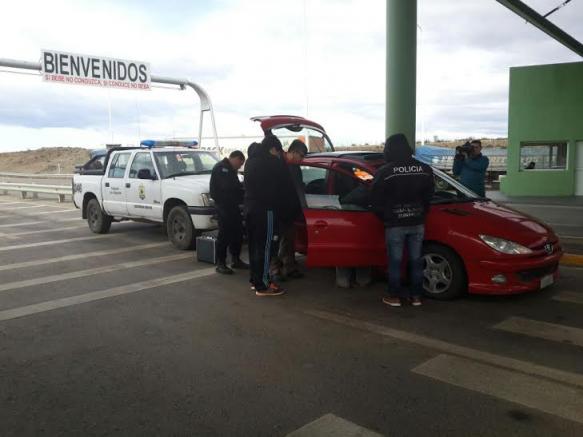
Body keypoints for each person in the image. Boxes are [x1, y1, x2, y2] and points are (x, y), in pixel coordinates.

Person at [372, 133, 434, 307]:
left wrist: (385, 217)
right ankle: (416, 297)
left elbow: (375, 199)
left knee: (395, 262)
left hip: (395, 224)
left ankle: (394, 297)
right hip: (417, 223)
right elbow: (429, 196)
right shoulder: (424, 169)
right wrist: (421, 213)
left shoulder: (385, 172)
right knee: (416, 260)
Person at [244, 135, 289, 296]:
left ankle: (255, 280)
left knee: (255, 247)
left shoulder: (250, 161)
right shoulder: (270, 163)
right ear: (272, 149)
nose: (278, 155)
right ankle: (263, 285)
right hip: (266, 211)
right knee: (266, 248)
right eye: (278, 151)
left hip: (250, 209)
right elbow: (283, 180)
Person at [270, 139, 308, 282]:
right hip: (277, 211)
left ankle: (289, 267)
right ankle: (274, 270)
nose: (302, 159)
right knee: (275, 241)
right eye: (302, 156)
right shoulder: (277, 165)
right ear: (293, 152)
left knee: (289, 241)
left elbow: (298, 188)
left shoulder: (295, 167)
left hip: (291, 212)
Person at [210, 150, 247, 274]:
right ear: (235, 158)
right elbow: (227, 187)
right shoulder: (222, 168)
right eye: (240, 163)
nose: (240, 166)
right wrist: (241, 189)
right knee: (224, 234)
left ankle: (236, 259)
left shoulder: (229, 169)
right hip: (224, 207)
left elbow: (233, 186)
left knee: (237, 233)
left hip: (232, 207)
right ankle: (221, 263)